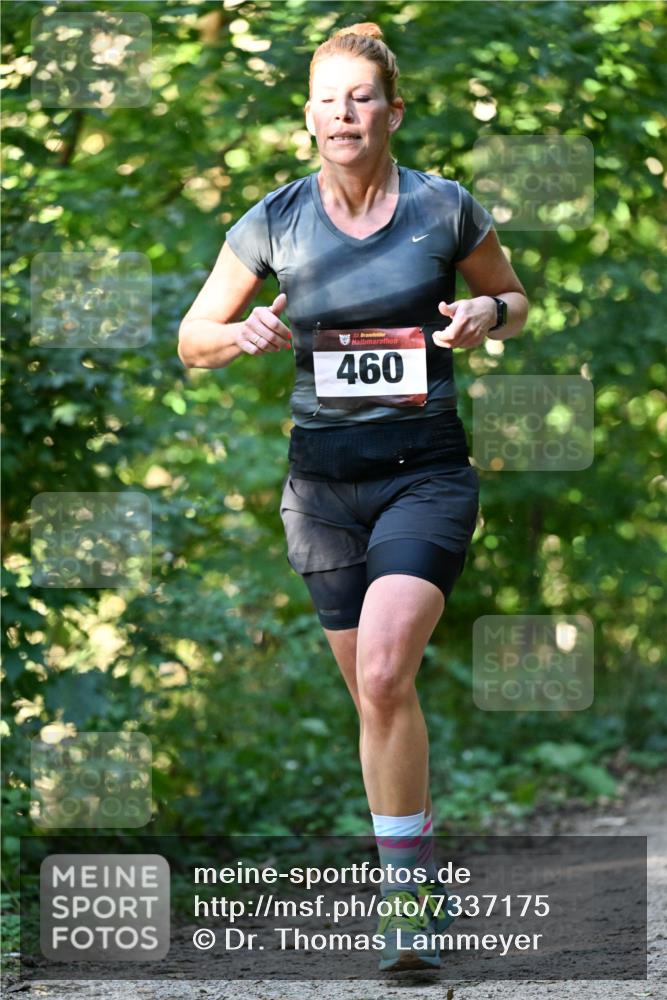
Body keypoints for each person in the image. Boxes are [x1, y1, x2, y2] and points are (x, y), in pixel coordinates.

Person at [178, 21, 529, 973]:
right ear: (308, 116)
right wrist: (238, 333)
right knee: (377, 699)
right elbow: (190, 338)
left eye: (360, 97)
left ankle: (407, 906)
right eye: (327, 98)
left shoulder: (443, 207)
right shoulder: (275, 220)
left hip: (426, 475)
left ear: (391, 112)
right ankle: (412, 867)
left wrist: (481, 313)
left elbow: (514, 301)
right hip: (322, 492)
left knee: (383, 672)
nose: (344, 112)